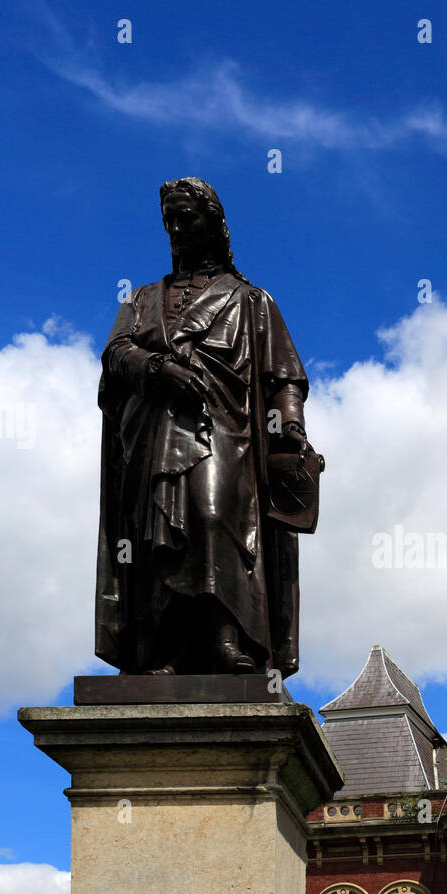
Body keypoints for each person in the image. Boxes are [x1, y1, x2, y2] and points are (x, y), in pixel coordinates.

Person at [95, 177, 313, 677]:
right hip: (153, 432)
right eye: (169, 220)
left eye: (187, 218)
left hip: (225, 433)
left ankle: (226, 640)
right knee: (154, 536)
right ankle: (165, 652)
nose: (176, 228)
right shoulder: (142, 299)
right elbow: (115, 354)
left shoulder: (252, 301)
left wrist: (292, 430)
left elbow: (284, 377)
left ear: (214, 225)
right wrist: (156, 369)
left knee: (214, 518)